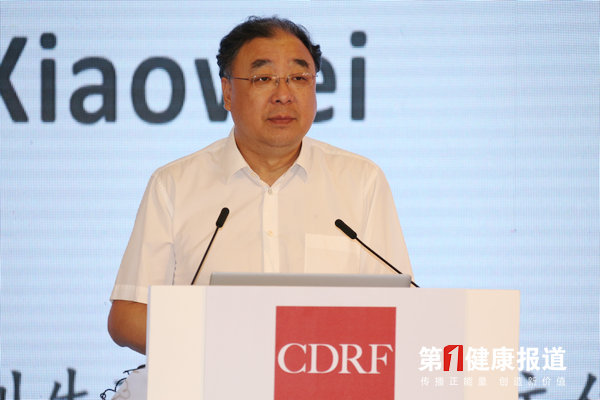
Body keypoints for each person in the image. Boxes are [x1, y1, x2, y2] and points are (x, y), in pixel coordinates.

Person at [107, 16, 412, 355]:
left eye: (299, 78)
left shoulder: (361, 181)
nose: (283, 95)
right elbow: (128, 317)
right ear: (227, 92)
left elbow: (399, 308)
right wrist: (225, 347)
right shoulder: (174, 185)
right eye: (263, 78)